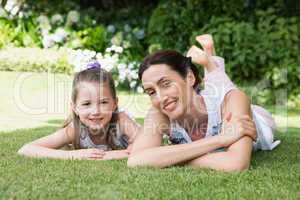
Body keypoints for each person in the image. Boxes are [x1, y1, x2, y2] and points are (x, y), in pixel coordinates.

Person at [127, 34, 280, 171]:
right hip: (208, 99)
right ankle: (209, 59)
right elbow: (136, 160)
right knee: (215, 86)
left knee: (222, 86)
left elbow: (236, 163)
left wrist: (167, 158)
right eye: (151, 92)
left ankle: (209, 60)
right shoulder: (159, 112)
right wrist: (220, 139)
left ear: (189, 78)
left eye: (166, 83)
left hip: (261, 120)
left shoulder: (233, 100)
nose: (160, 98)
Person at [18, 61, 140, 160]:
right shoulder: (75, 129)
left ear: (115, 104)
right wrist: (71, 155)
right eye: (87, 103)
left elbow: (147, 144)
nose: (95, 111)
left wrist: (113, 155)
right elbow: (26, 149)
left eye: (103, 102)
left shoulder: (121, 120)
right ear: (75, 107)